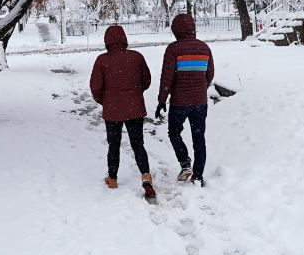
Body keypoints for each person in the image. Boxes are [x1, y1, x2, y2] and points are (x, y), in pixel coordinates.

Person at [90, 25, 156, 199]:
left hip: (112, 111)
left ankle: (112, 179)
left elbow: (96, 87)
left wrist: (104, 101)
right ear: (124, 38)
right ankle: (146, 176)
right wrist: (135, 92)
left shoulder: (102, 60)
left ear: (107, 41)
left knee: (114, 145)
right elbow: (147, 80)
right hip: (134, 108)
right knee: (138, 144)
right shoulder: (136, 57)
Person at [155, 14, 214, 187]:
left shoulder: (173, 49)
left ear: (176, 29)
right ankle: (198, 176)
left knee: (174, 133)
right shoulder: (204, 48)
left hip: (179, 102)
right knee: (199, 138)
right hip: (200, 103)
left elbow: (167, 78)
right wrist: (200, 88)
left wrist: (161, 100)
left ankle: (185, 163)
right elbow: (209, 74)